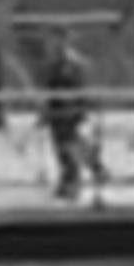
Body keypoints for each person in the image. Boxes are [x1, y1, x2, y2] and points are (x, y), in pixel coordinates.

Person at [36, 32, 106, 199]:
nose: (54, 47)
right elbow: (49, 91)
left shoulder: (75, 65)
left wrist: (83, 107)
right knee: (65, 146)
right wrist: (46, 112)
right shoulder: (53, 66)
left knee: (68, 147)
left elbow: (81, 89)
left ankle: (73, 184)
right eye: (53, 43)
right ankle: (89, 169)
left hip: (70, 112)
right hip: (57, 113)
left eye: (58, 43)